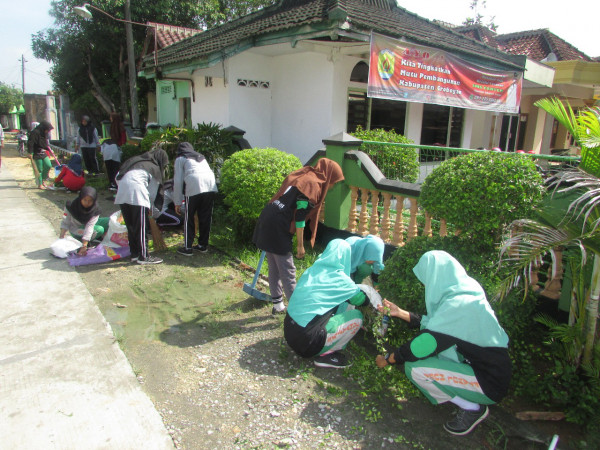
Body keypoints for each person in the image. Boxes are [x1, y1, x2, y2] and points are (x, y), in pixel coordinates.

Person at [375, 250, 511, 436]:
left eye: (426, 279)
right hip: (487, 370)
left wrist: (388, 359)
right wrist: (400, 313)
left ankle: (472, 408)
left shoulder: (458, 305)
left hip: (488, 382)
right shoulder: (465, 293)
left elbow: (421, 346)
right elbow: (438, 326)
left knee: (415, 368)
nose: (425, 284)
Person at [252, 158, 344, 314]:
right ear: (329, 176)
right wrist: (300, 246)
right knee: (287, 270)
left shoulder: (306, 174)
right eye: (335, 181)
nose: (333, 185)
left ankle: (278, 306)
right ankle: (297, 312)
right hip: (278, 224)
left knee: (274, 266)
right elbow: (300, 217)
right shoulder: (312, 185)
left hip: (269, 215)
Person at [284, 239, 379, 369]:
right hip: (307, 345)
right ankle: (327, 354)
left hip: (289, 333)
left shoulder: (311, 271)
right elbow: (363, 301)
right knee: (357, 316)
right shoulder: (341, 280)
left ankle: (323, 342)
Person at [114, 148, 169, 265]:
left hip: (122, 193)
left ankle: (134, 254)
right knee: (141, 227)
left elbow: (118, 176)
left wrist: (125, 188)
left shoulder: (134, 161)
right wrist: (150, 208)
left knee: (131, 226)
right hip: (138, 194)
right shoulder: (153, 168)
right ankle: (144, 256)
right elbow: (153, 194)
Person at [172, 142, 218, 256]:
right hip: (210, 186)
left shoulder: (181, 158)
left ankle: (187, 247)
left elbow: (177, 181)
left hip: (194, 186)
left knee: (189, 217)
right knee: (205, 216)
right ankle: (203, 245)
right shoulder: (200, 157)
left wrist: (177, 202)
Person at [59, 186, 108, 256]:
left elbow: (90, 225)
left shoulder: (95, 209)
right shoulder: (71, 206)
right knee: (100, 229)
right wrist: (61, 237)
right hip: (76, 228)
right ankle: (84, 240)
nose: (87, 203)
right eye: (85, 200)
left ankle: (102, 237)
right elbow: (65, 221)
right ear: (80, 198)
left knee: (109, 220)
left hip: (88, 225)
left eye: (90, 201)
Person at [102, 113, 126, 190]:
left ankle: (116, 183)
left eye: (111, 117)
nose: (110, 119)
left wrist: (121, 144)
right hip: (112, 146)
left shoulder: (120, 125)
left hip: (117, 147)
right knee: (110, 166)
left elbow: (123, 136)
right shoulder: (113, 125)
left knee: (115, 166)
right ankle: (112, 182)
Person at [28, 120, 54, 189]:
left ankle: (43, 179)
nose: (48, 131)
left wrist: (50, 150)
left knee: (48, 165)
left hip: (43, 152)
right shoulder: (34, 133)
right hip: (36, 153)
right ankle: (40, 184)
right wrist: (30, 152)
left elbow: (45, 144)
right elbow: (30, 143)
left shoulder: (43, 134)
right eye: (47, 130)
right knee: (39, 169)